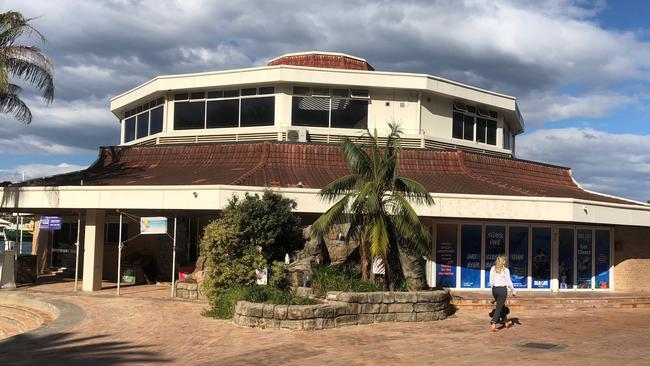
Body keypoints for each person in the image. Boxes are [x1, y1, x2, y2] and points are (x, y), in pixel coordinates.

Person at [489, 255, 516, 332]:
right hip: (502, 290)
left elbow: (491, 281)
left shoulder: (492, 268)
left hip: (494, 290)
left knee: (502, 305)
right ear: (503, 261)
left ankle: (506, 322)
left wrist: (493, 289)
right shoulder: (506, 270)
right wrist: (513, 291)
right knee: (499, 307)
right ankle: (493, 323)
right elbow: (509, 282)